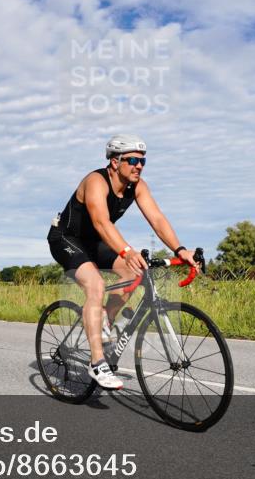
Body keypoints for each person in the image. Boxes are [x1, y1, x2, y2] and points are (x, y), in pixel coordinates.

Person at [47, 134, 197, 390]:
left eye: (142, 161)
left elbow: (157, 219)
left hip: (96, 241)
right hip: (66, 239)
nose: (139, 166)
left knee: (134, 273)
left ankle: (105, 319)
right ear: (115, 162)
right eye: (133, 160)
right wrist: (127, 250)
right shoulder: (96, 181)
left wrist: (180, 249)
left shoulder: (137, 186)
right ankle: (97, 363)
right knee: (95, 286)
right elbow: (101, 222)